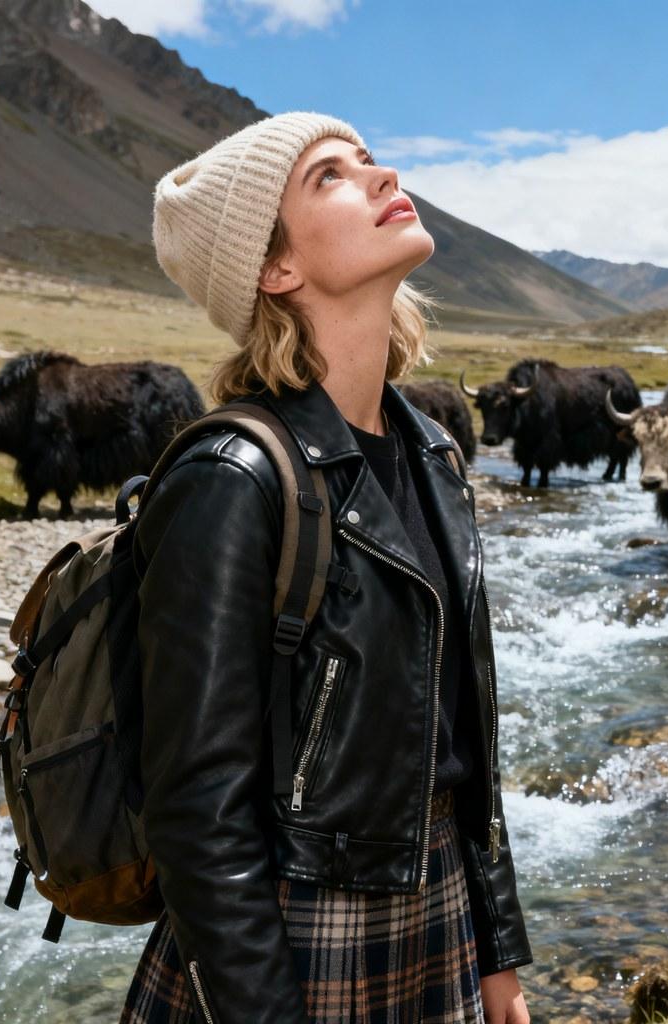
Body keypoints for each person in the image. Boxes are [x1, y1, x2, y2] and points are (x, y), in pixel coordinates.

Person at [120, 111, 532, 1024]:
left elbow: (465, 734)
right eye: (332, 176)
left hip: (441, 917)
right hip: (293, 941)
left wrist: (498, 950)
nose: (383, 176)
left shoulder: (431, 454)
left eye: (370, 158)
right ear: (275, 270)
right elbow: (196, 809)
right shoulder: (231, 478)